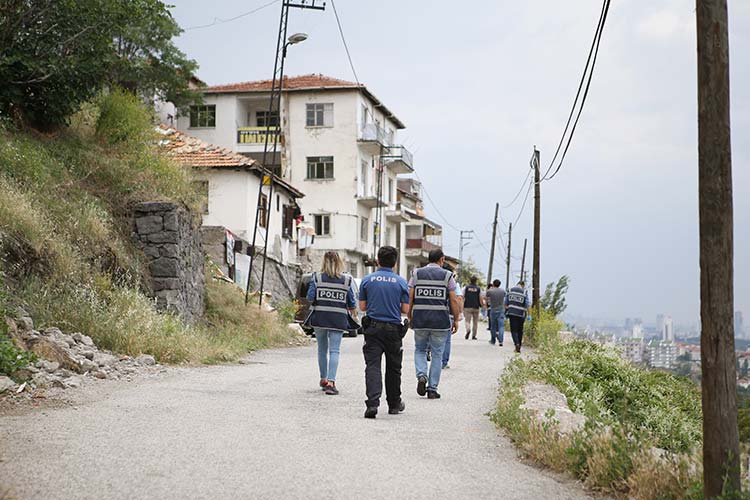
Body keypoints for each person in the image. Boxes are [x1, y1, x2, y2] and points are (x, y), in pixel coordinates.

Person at [359, 246, 410, 419]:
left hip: (372, 329)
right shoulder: (401, 282)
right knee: (394, 367)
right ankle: (394, 404)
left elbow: (362, 307)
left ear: (378, 261)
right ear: (395, 263)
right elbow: (405, 309)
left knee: (372, 366)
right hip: (393, 330)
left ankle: (372, 404)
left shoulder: (367, 280)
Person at [408, 249, 460, 399]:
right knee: (437, 354)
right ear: (442, 259)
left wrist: (409, 314)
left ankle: (421, 375)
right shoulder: (447, 275)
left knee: (420, 349)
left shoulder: (416, 274)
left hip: (420, 318)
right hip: (440, 320)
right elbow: (454, 299)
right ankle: (432, 389)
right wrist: (455, 319)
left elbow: (410, 295)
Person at [305, 251, 357, 395]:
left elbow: (310, 297)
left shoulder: (317, 278)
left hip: (319, 318)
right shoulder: (346, 280)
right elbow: (351, 302)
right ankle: (331, 381)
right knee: (334, 350)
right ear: (339, 262)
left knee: (322, 349)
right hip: (338, 319)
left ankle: (323, 378)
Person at [442, 265, 462, 369]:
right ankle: (444, 362)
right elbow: (457, 299)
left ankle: (429, 352)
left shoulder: (436, 279)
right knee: (447, 340)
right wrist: (456, 318)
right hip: (448, 313)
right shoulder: (454, 283)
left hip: (434, 312)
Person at [505, 280, 530, 353]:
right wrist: (529, 315)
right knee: (520, 330)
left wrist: (506, 312)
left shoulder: (510, 290)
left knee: (514, 330)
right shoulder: (524, 292)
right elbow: (527, 304)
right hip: (521, 314)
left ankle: (517, 344)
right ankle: (519, 344)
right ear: (523, 285)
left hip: (512, 313)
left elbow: (505, 303)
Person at [486, 279, 507, 346]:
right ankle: (501, 341)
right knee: (501, 326)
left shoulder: (490, 291)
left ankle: (493, 340)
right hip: (501, 309)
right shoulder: (503, 291)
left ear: (493, 284)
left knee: (493, 326)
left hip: (493, 309)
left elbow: (486, 295)